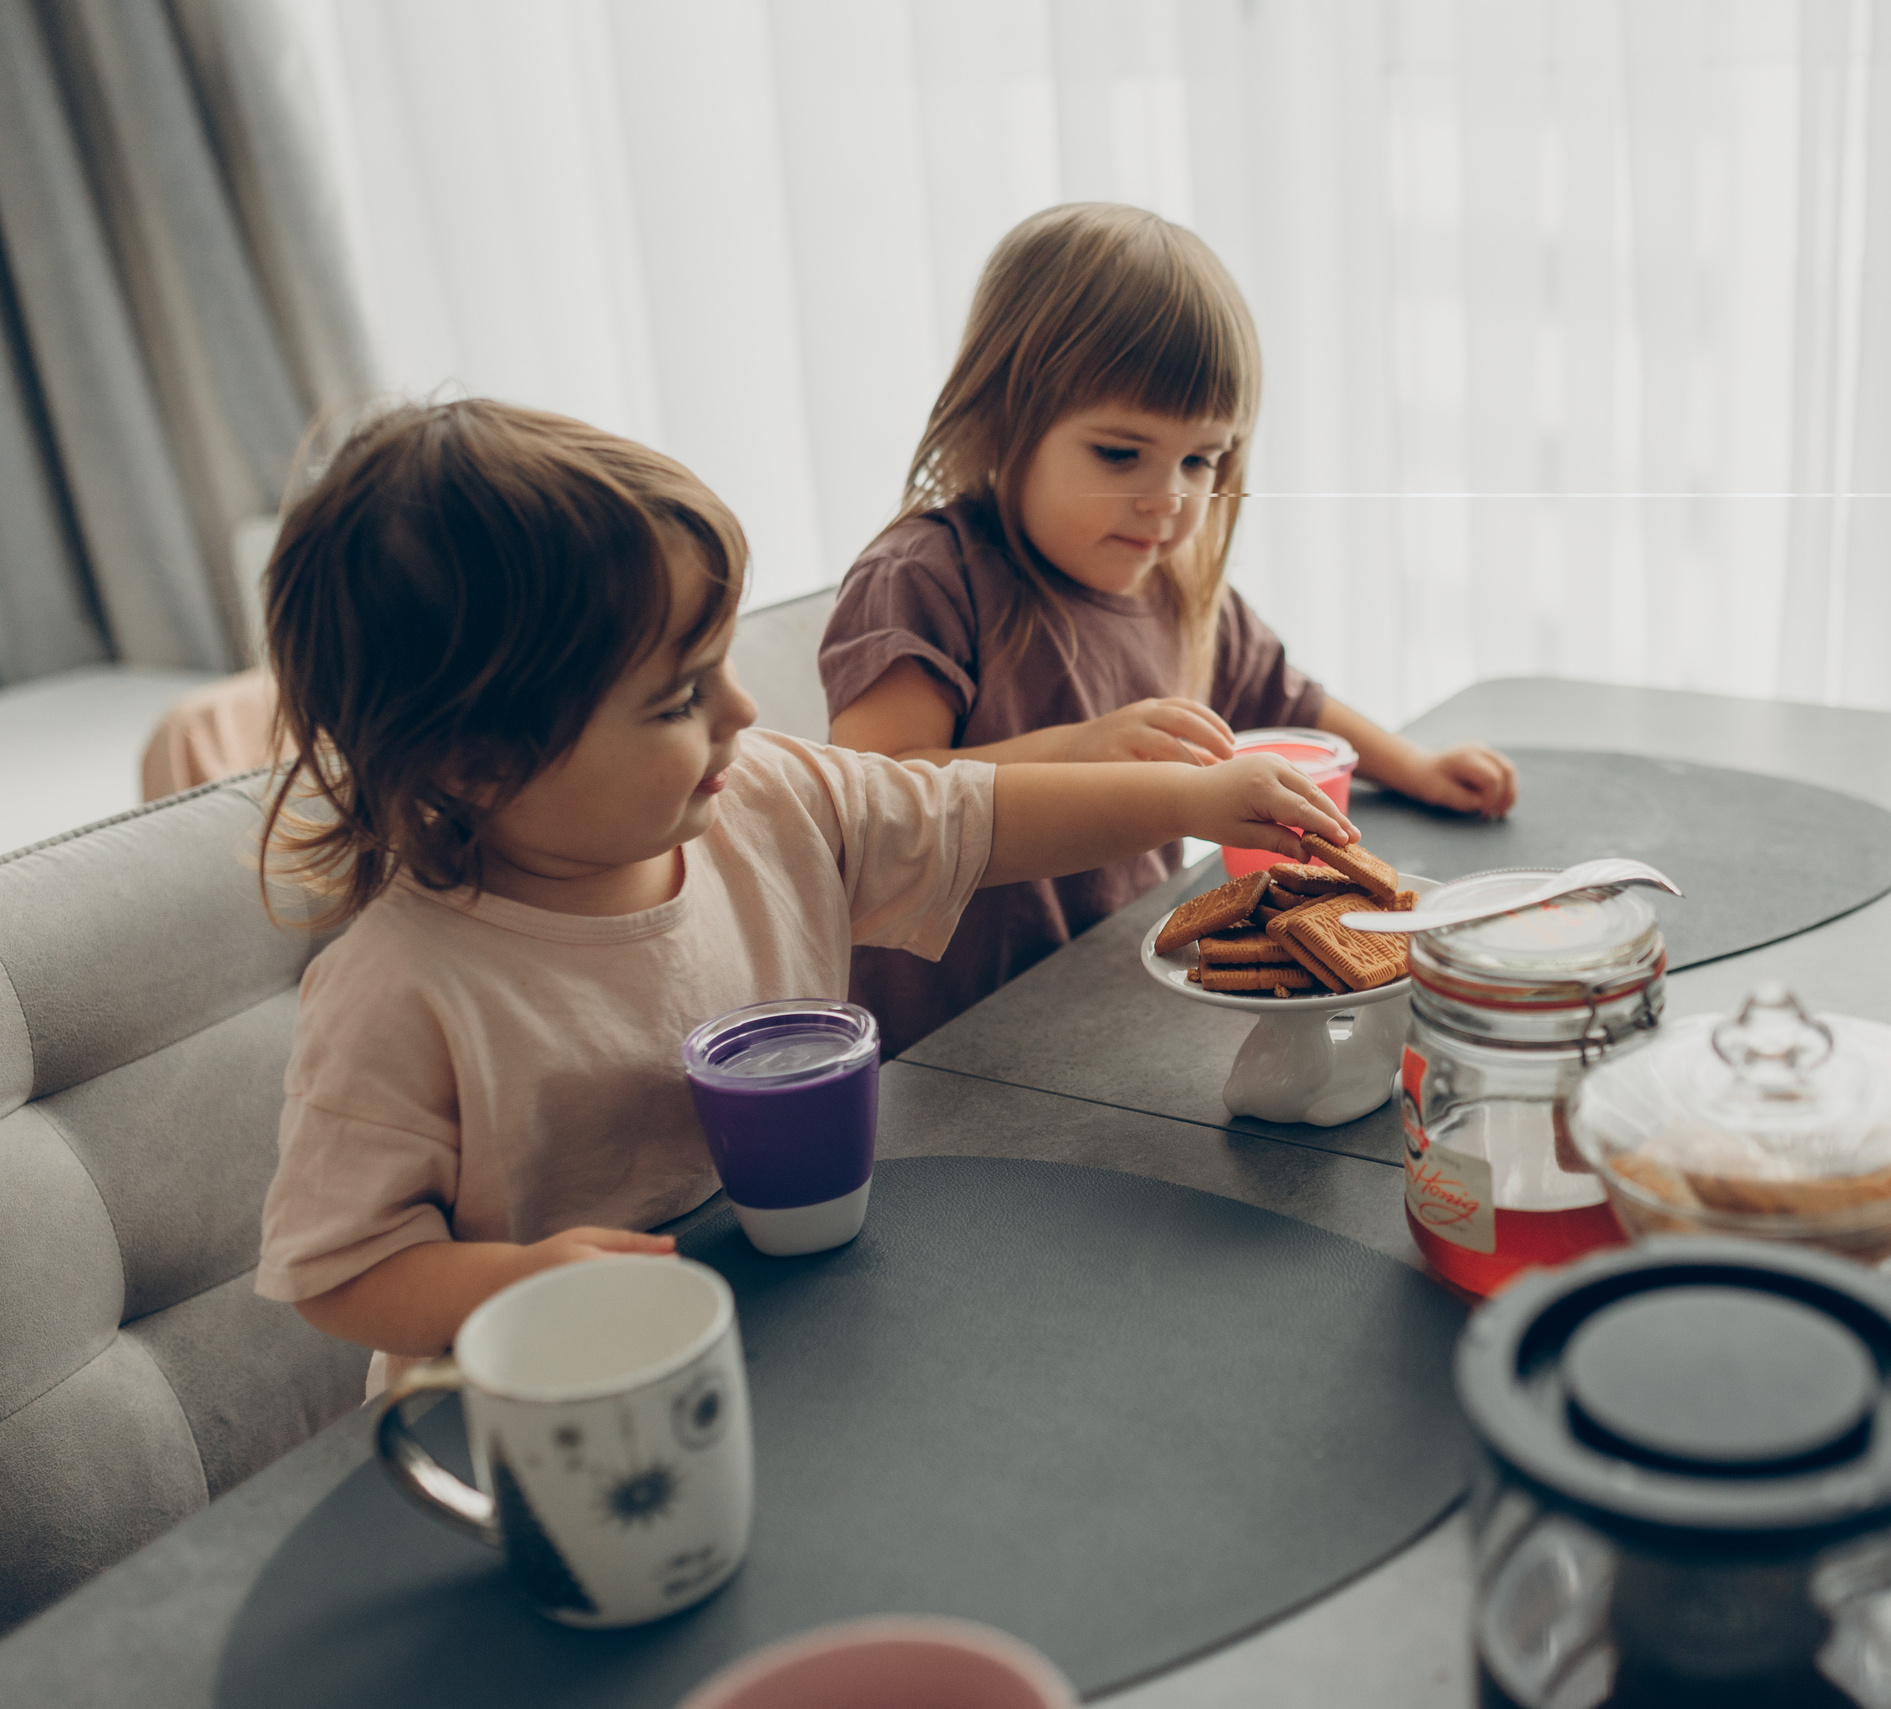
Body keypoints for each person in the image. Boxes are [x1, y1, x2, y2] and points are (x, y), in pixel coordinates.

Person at [252, 399, 1359, 1382]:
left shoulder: (774, 799)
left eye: (723, 662)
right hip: (547, 1400)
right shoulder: (397, 986)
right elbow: (338, 1268)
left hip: (794, 1323)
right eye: (679, 697)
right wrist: (515, 1281)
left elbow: (983, 816)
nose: (742, 710)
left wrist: (1188, 799)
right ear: (478, 762)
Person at [821, 203, 1519, 1053]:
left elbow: (1289, 701)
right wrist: (1078, 748)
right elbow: (872, 802)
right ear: (997, 420)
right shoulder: (925, 579)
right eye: (1121, 454)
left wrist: (1417, 768)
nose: (1169, 499)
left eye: (1201, 459)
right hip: (953, 1051)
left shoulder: (1174, 586)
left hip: (1116, 1012)